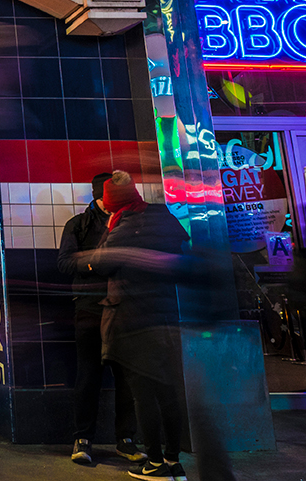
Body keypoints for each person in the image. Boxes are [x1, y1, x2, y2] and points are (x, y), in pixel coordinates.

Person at [94, 170, 191, 480]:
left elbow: (101, 263)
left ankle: (155, 463)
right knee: (168, 392)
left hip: (133, 320)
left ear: (113, 203)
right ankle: (174, 459)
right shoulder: (163, 216)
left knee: (143, 395)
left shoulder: (122, 225)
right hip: (165, 314)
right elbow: (181, 249)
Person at [58, 171, 141, 466]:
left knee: (126, 376)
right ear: (99, 197)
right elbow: (65, 263)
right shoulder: (78, 225)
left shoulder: (130, 221)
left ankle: (126, 439)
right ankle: (83, 438)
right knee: (89, 374)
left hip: (124, 307)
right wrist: (98, 263)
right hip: (90, 308)